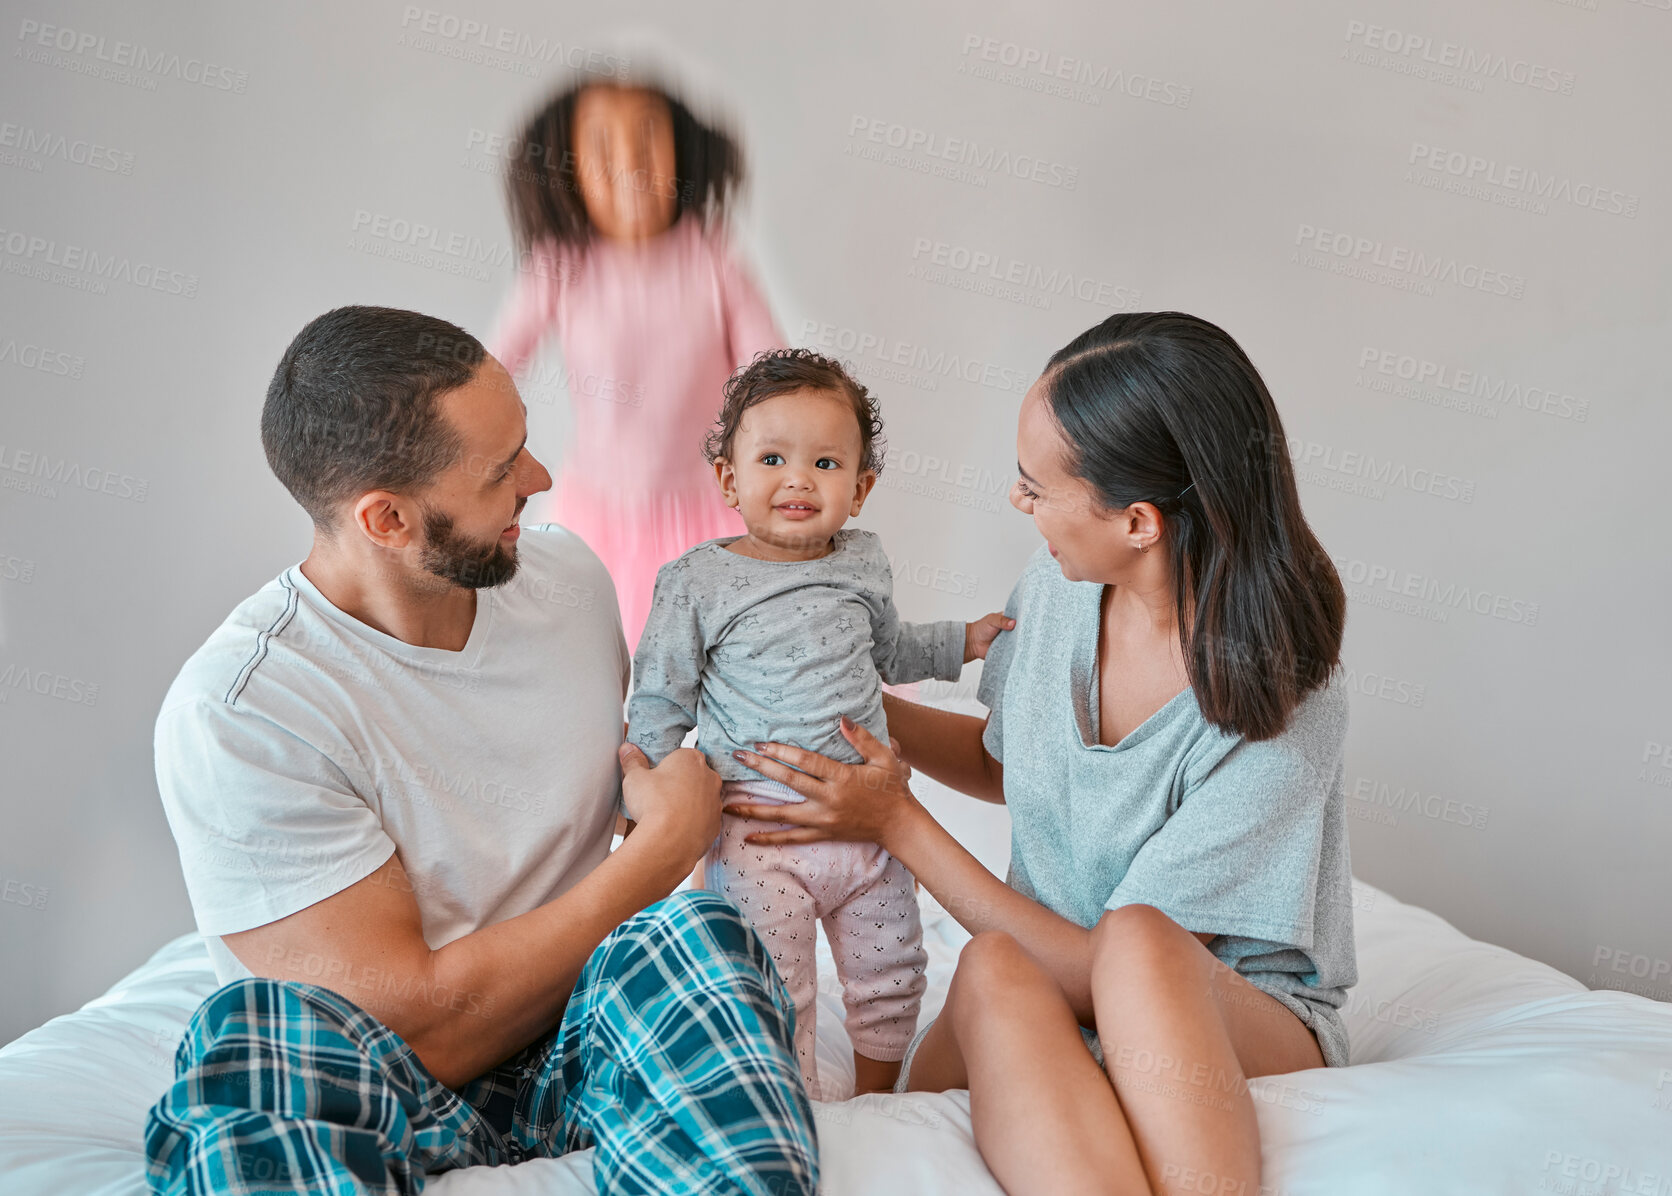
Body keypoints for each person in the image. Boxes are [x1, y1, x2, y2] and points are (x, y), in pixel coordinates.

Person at [144, 305, 817, 1196]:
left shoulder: (569, 583)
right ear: (385, 519)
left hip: (588, 1028)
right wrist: (656, 856)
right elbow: (422, 1030)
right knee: (250, 1035)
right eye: (502, 471)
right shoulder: (245, 711)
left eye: (527, 445)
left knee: (696, 937)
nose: (539, 478)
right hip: (392, 1079)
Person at [722, 312, 1359, 1195]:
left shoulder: (1283, 697)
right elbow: (1001, 762)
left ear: (1138, 520)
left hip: (1222, 1007)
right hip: (1042, 966)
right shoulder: (1062, 592)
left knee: (1134, 944)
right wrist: (847, 705)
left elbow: (1109, 971)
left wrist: (898, 823)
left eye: (1036, 486)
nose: (1019, 504)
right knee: (988, 966)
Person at [625, 348, 1012, 1100]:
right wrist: (640, 798)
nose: (800, 479)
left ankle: (877, 1097)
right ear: (729, 480)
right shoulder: (699, 581)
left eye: (828, 464)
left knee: (893, 970)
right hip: (759, 829)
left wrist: (961, 641)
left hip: (871, 818)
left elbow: (890, 651)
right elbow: (662, 698)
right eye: (773, 458)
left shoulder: (864, 562)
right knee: (778, 980)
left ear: (861, 489)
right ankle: (792, 1104)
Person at [489, 71, 783, 654]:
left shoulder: (709, 256)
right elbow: (494, 368)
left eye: (649, 139)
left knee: (738, 656)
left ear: (683, 151)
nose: (630, 164)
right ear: (567, 169)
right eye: (601, 146)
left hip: (714, 509)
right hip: (599, 519)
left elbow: (772, 370)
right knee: (602, 660)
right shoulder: (563, 263)